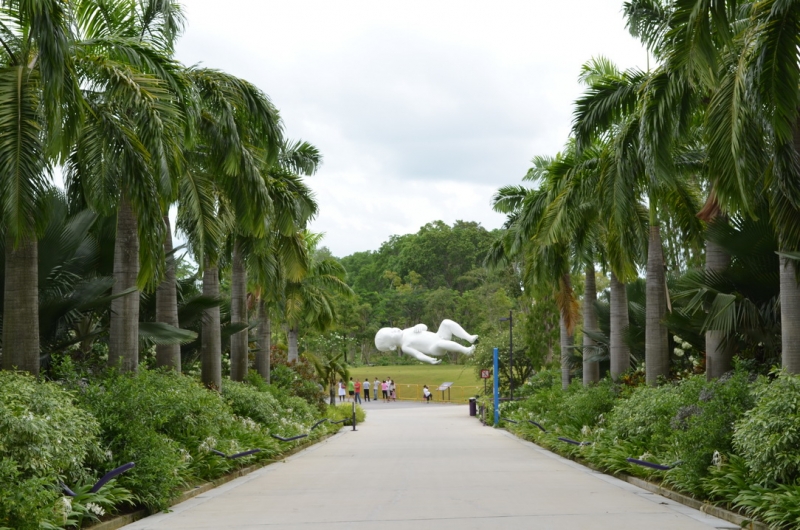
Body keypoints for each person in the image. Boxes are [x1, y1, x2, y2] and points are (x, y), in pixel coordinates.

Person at [374, 319, 479, 364]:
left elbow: (424, 327)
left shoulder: (407, 330)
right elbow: (418, 355)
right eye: (392, 333)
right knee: (440, 343)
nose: (395, 330)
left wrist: (420, 326)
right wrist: (429, 360)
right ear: (392, 346)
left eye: (392, 329)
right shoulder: (405, 346)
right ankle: (466, 351)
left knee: (446, 322)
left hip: (439, 336)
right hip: (434, 348)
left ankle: (469, 337)